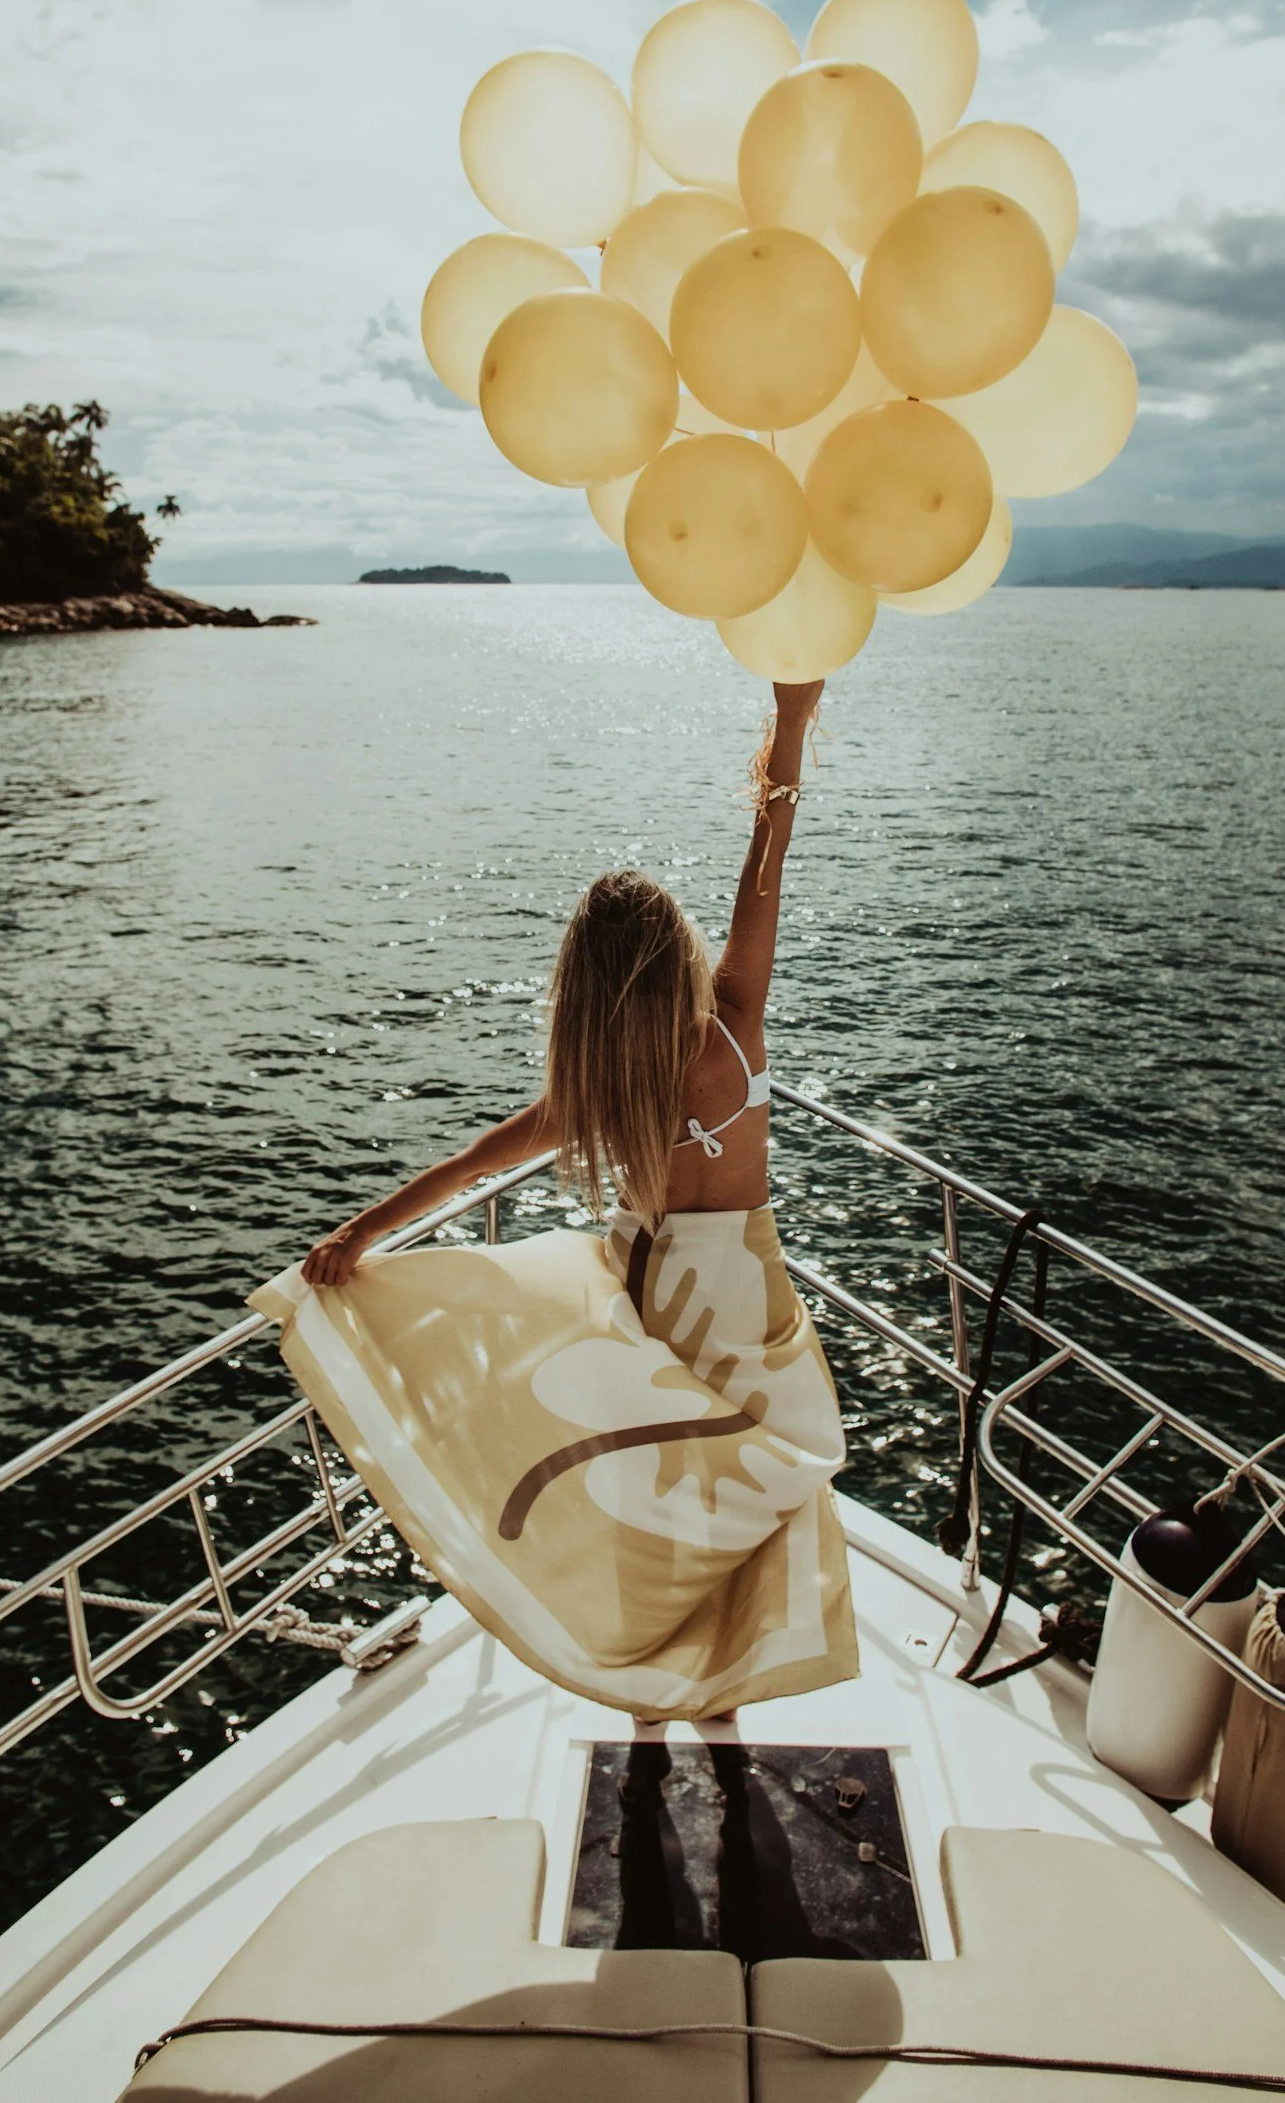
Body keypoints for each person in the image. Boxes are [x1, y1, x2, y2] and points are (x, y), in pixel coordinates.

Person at [252, 679, 858, 1723]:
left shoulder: (596, 1088)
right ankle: (723, 1683)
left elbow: (467, 1165)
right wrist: (792, 720)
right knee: (758, 1480)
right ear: (679, 952)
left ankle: (640, 1676)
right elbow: (770, 851)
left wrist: (358, 1235)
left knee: (653, 1480)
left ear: (585, 987)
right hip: (737, 1291)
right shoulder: (736, 1014)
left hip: (644, 1287)